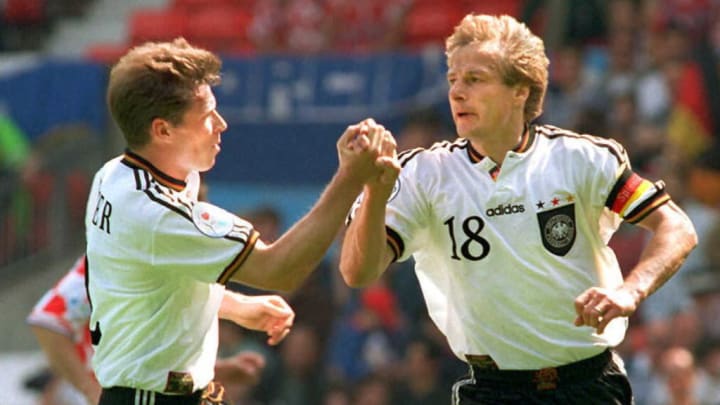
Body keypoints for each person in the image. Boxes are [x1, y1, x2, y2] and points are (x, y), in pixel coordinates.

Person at [339, 14, 698, 404]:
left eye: (475, 79)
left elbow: (677, 228)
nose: (457, 92)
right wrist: (375, 195)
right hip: (492, 391)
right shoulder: (420, 174)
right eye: (453, 80)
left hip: (589, 385)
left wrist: (631, 291)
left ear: (520, 91)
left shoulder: (581, 158)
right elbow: (358, 272)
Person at [85, 37, 395, 404]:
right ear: (163, 130)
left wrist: (236, 306)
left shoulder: (114, 175)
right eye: (207, 116)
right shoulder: (157, 213)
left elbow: (159, 277)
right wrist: (349, 179)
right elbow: (278, 271)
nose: (222, 124)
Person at [26, 255, 284, 405]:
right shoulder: (110, 261)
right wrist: (91, 391)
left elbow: (151, 374)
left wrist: (217, 373)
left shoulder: (174, 283)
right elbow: (47, 321)